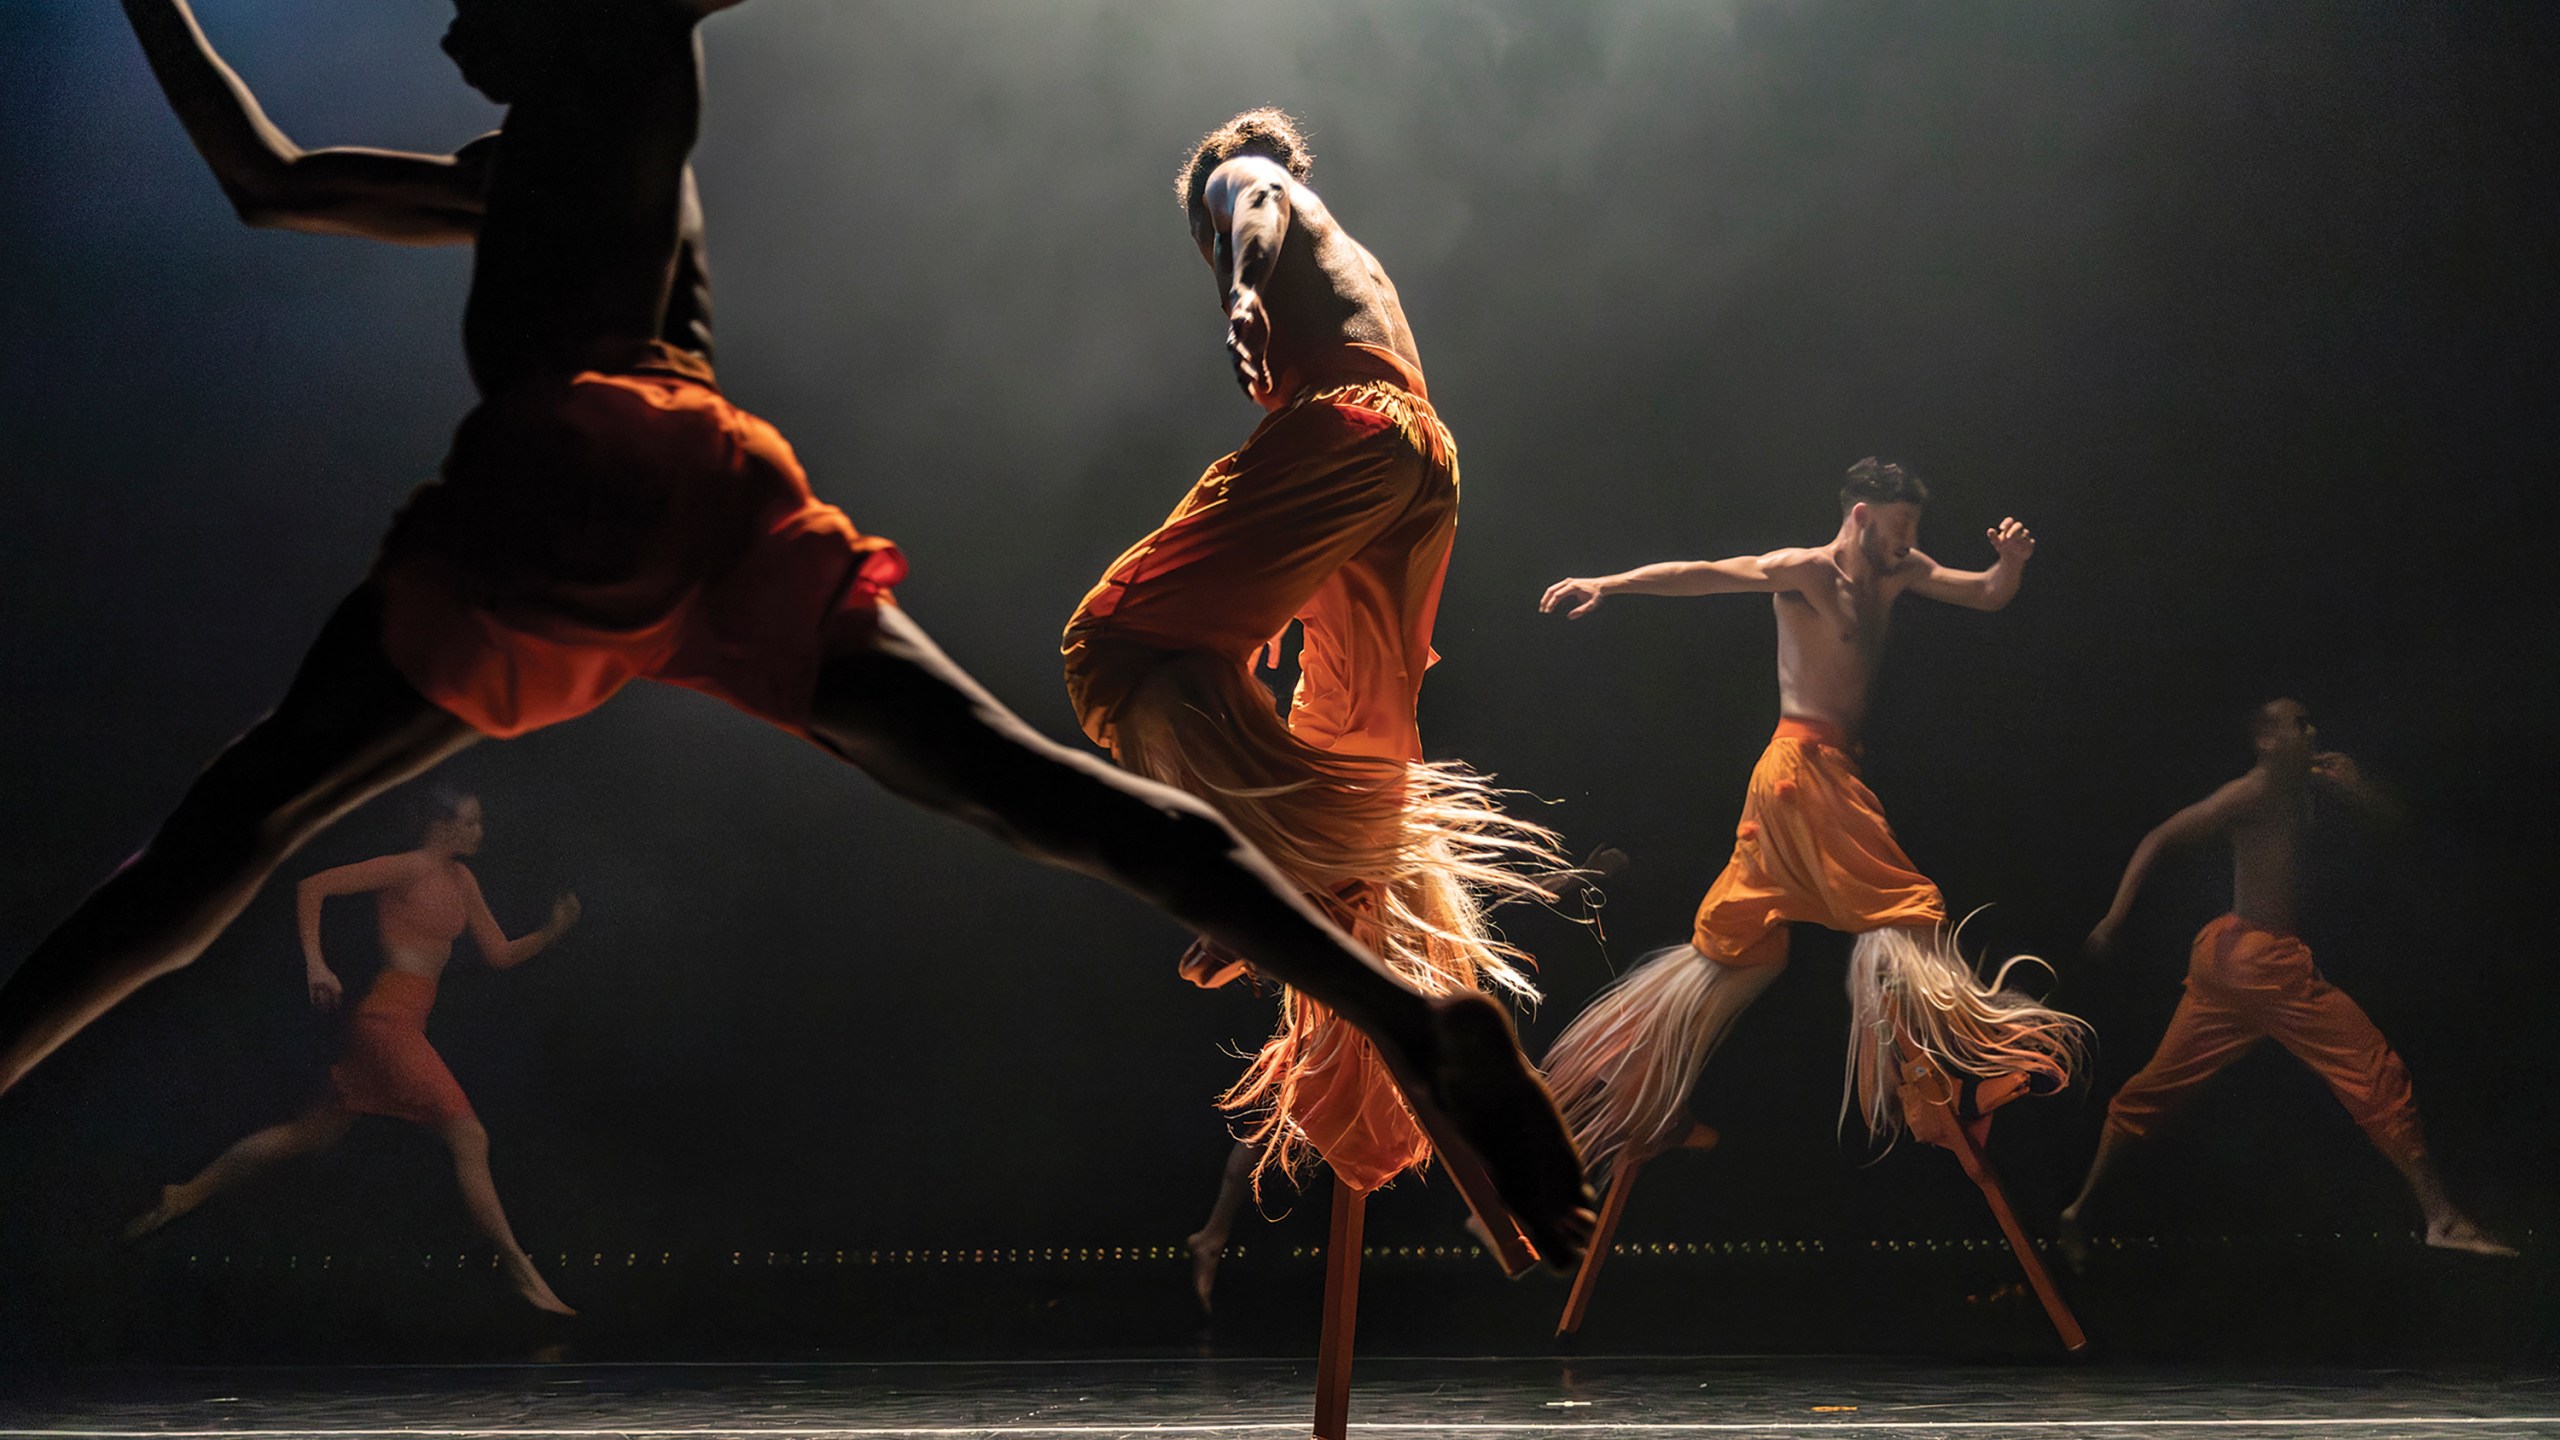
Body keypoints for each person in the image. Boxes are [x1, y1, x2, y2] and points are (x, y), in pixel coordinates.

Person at [0, 4, 1591, 1273]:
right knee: (1028, 788)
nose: (443, 33)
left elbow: (268, 184)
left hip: (571, 473)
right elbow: (268, 179)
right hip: (726, 508)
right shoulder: (522, 167)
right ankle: (1408, 1015)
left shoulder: (619, 37)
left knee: (240, 824)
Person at [1063, 109, 1584, 1269]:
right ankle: (1310, 881)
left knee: (1107, 646)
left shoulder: (1246, 186)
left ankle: (1252, 864)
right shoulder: (1359, 260)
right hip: (1420, 466)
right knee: (1350, 744)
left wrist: (1239, 289)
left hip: (1349, 429)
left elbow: (1245, 198)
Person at [1536, 458, 2086, 1183]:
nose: (1905, 543)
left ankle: (1637, 1097)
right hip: (1802, 770)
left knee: (1745, 953)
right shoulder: (1807, 571)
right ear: (1859, 517)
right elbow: (1703, 572)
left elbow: (1985, 595)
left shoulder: (1898, 570)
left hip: (1809, 779)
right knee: (1906, 912)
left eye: (1912, 531)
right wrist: (1607, 583)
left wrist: (2009, 563)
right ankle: (1932, 1091)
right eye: (1896, 529)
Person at [2058, 699, 2512, 1264]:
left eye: (2310, 721)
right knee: (2372, 1069)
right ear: (2268, 739)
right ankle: (2442, 1218)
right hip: (2260, 967)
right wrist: (2114, 918)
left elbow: (2396, 821)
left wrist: (2357, 785)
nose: (2312, 730)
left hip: (2228, 971)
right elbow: (2159, 837)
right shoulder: (2250, 792)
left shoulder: (2309, 782)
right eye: (2299, 724)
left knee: (2154, 1088)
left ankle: (2078, 1209)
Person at [124, 791, 583, 1313]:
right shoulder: (406, 868)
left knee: (310, 1134)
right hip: (386, 1022)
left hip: (405, 1022)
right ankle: (520, 1270)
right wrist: (316, 965)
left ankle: (186, 1192)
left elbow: (498, 954)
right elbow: (312, 887)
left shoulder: (462, 880)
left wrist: (551, 932)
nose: (481, 830)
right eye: (472, 821)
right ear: (441, 823)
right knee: (468, 1134)